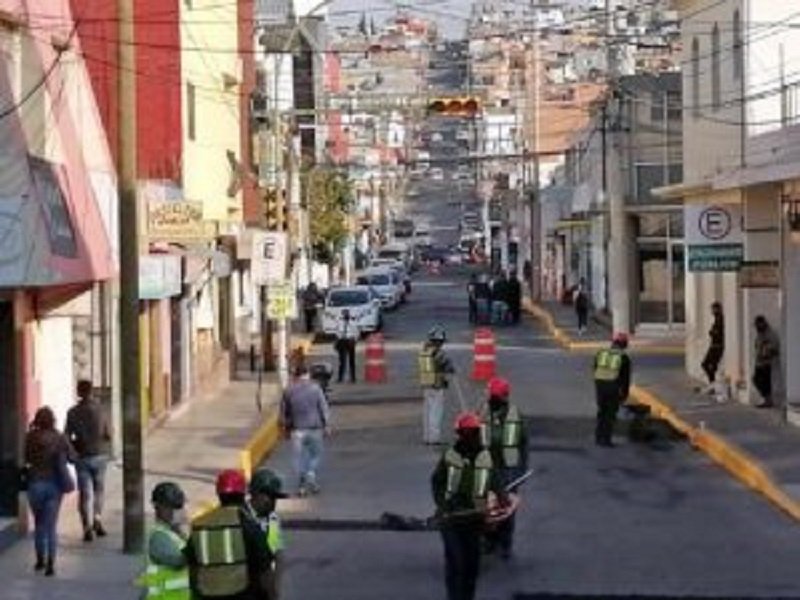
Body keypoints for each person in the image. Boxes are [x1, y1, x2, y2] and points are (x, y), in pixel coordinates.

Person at [431, 412, 508, 600]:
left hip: (475, 519)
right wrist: (443, 504)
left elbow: (495, 481)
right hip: (451, 520)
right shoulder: (450, 457)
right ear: (461, 434)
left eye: (474, 433)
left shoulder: (485, 457)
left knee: (471, 567)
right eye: (468, 433)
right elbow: (437, 482)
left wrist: (502, 498)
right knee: (456, 564)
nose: (472, 437)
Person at [186, 470, 274, 600]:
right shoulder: (249, 525)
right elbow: (265, 570)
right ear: (243, 493)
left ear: (218, 493)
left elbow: (192, 568)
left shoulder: (199, 525)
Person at [479, 377, 528, 559]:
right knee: (487, 506)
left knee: (505, 508)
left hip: (509, 469)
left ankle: (505, 543)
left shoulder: (515, 415)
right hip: (488, 467)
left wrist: (522, 469)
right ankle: (489, 540)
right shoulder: (484, 412)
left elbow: (524, 443)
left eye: (489, 394)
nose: (487, 397)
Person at [24, 406, 74, 576]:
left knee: (39, 523)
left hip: (35, 484)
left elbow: (25, 458)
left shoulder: (30, 437)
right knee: (51, 526)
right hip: (54, 486)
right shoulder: (60, 437)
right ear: (52, 420)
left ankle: (40, 560)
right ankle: (51, 564)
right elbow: (72, 457)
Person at [65, 379, 112, 542]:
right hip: (100, 455)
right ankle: (97, 518)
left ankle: (86, 527)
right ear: (91, 391)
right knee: (99, 489)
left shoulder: (72, 412)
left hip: (82, 457)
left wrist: (72, 453)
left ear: (78, 392)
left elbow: (66, 436)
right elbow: (108, 433)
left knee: (85, 493)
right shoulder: (101, 410)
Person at [281, 364, 331, 496]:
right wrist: (326, 425)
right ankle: (310, 474)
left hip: (297, 430)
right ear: (307, 375)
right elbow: (323, 408)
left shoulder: (288, 390)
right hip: (314, 429)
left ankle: (302, 484)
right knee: (315, 455)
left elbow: (284, 413)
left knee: (299, 458)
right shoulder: (315, 389)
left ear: (295, 376)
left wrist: (285, 429)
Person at [137, 482, 190, 599]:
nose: (175, 512)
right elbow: (178, 561)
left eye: (178, 507)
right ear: (158, 507)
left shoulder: (174, 533)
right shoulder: (159, 537)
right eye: (171, 507)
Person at [247, 469, 288, 600]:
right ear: (256, 494)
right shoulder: (240, 515)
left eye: (275, 498)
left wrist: (274, 590)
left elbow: (278, 555)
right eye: (270, 497)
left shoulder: (272, 520)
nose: (273, 503)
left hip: (263, 586)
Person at [593, 333, 632, 447]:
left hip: (600, 385)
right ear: (624, 344)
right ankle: (606, 439)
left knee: (601, 411)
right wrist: (624, 394)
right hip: (613, 386)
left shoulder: (601, 353)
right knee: (610, 414)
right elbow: (625, 379)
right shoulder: (623, 357)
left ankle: (598, 436)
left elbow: (595, 369)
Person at [418, 325, 455, 444]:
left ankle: (427, 436)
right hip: (437, 385)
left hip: (426, 384)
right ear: (439, 341)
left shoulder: (424, 350)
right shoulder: (439, 353)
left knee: (427, 411)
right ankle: (434, 437)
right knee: (436, 411)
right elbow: (449, 366)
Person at [753, 315, 780, 408]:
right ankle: (767, 399)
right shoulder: (759, 333)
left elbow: (775, 347)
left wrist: (767, 350)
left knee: (765, 382)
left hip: (766, 362)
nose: (757, 327)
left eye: (758, 324)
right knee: (756, 380)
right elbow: (756, 345)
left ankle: (768, 400)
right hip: (759, 361)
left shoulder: (770, 333)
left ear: (763, 323)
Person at [700, 302, 725, 395]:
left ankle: (713, 386)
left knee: (709, 365)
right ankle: (712, 385)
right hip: (713, 345)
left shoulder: (721, 319)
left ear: (718, 309)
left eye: (714, 309)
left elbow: (717, 333)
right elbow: (713, 332)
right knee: (706, 365)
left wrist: (713, 332)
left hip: (718, 346)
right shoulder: (717, 319)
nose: (713, 311)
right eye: (712, 309)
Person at [334, 309, 359, 383]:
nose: (345, 316)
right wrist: (340, 337)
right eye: (344, 314)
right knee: (342, 361)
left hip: (350, 341)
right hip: (342, 341)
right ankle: (340, 378)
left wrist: (354, 339)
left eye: (346, 314)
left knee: (352, 360)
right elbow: (337, 331)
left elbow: (357, 332)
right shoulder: (339, 322)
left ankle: (353, 377)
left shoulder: (353, 322)